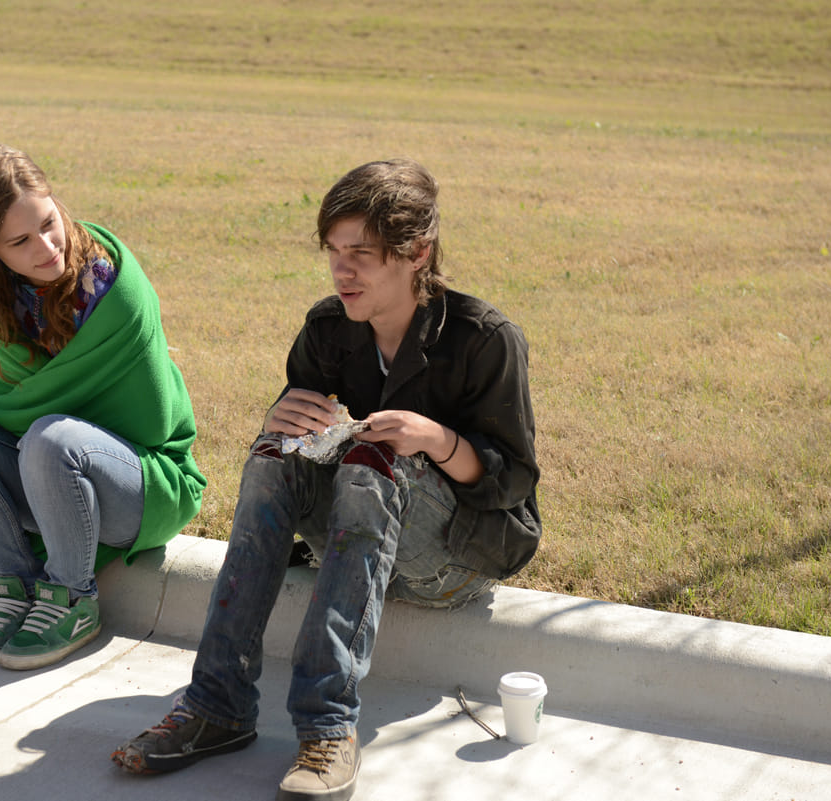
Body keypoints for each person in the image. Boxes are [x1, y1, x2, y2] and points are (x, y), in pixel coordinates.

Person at [111, 158, 540, 801]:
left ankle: (328, 727)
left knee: (370, 466)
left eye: (362, 254)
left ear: (417, 253)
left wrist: (436, 440)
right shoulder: (328, 329)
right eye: (334, 252)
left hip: (453, 561)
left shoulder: (484, 339)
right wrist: (282, 421)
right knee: (271, 456)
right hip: (356, 536)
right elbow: (299, 447)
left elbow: (513, 483)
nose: (343, 271)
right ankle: (217, 705)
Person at [0, 143, 205, 671]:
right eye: (20, 241)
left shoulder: (109, 285)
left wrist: (52, 427)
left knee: (50, 437)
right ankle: (21, 586)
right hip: (47, 474)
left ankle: (72, 599)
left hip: (145, 481)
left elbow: (152, 419)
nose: (47, 247)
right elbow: (3, 410)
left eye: (49, 223)